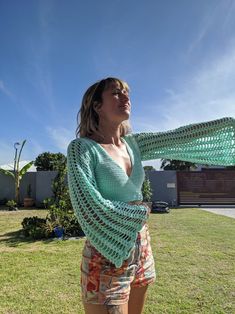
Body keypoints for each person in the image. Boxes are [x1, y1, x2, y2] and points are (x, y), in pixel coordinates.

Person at [67, 77, 235, 314]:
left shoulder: (134, 144)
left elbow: (180, 137)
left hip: (142, 248)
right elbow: (87, 206)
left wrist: (228, 128)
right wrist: (139, 211)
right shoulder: (82, 149)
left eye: (127, 93)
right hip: (106, 254)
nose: (126, 98)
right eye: (116, 93)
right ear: (96, 106)